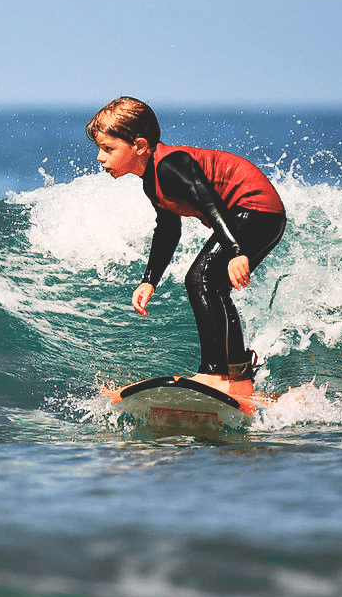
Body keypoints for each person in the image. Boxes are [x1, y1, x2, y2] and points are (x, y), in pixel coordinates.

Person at [86, 97, 286, 396]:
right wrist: (149, 280)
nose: (101, 158)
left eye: (109, 148)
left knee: (198, 279)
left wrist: (235, 252)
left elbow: (210, 202)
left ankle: (213, 373)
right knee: (215, 286)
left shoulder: (171, 165)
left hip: (254, 210)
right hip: (255, 216)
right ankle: (239, 378)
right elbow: (168, 230)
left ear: (139, 145)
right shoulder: (151, 181)